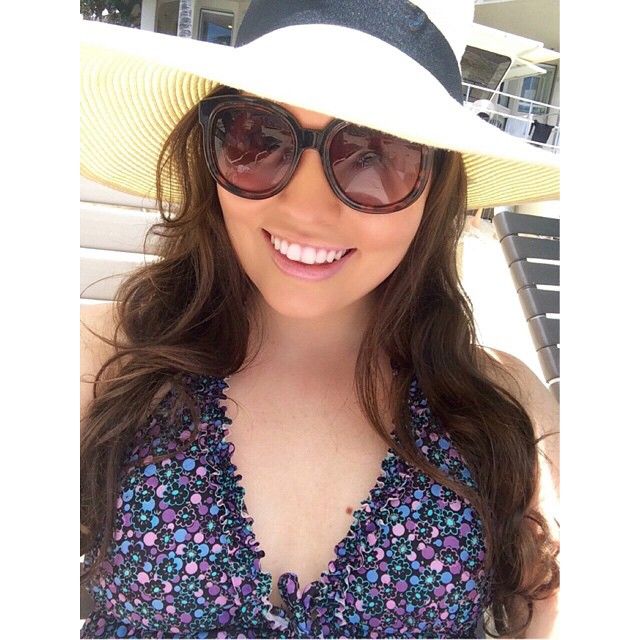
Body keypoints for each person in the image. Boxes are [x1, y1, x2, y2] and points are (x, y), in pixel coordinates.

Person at [80, 1, 560, 638]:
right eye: (258, 137)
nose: (305, 209)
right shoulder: (102, 363)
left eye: (374, 153)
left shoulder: (505, 406)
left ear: (437, 185)